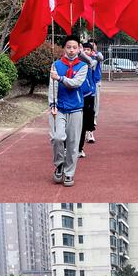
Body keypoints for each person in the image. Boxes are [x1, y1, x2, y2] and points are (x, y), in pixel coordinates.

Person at [49, 34, 88, 187]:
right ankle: (59, 164)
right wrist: (52, 104)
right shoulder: (56, 65)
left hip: (76, 108)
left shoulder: (82, 66)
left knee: (73, 143)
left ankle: (69, 172)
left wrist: (60, 78)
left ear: (79, 49)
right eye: (68, 47)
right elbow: (52, 87)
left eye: (74, 47)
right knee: (57, 138)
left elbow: (76, 83)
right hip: (59, 108)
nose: (71, 50)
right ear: (64, 49)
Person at [78, 42, 100, 158]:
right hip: (75, 96)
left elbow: (94, 60)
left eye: (87, 49)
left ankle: (88, 135)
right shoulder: (68, 61)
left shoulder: (91, 61)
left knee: (88, 117)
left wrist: (82, 52)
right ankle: (68, 146)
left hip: (88, 94)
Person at [87, 39, 104, 139]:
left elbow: (100, 58)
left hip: (96, 82)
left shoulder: (97, 55)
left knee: (95, 103)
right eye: (90, 46)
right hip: (86, 83)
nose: (92, 48)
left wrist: (94, 54)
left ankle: (94, 118)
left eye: (93, 46)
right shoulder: (84, 57)